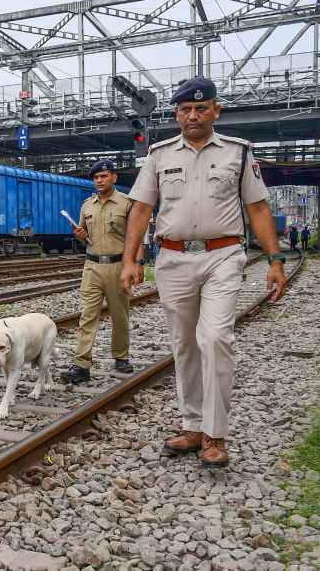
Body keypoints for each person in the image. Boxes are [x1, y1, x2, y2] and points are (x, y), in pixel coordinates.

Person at [120, 77, 286, 467]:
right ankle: (192, 426)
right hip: (173, 259)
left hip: (223, 256)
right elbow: (141, 209)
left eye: (201, 108)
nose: (193, 116)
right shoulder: (158, 156)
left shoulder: (239, 153)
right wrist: (131, 260)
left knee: (214, 338)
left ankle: (215, 433)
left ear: (216, 110)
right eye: (184, 110)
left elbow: (258, 208)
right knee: (184, 345)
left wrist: (275, 260)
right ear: (176, 114)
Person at [62, 160, 144, 385]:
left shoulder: (126, 204)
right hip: (92, 266)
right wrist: (79, 235)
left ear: (114, 178)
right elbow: (84, 234)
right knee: (87, 315)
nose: (99, 180)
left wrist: (138, 263)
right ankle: (81, 364)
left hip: (119, 266)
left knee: (120, 315)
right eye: (96, 177)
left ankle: (121, 357)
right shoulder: (87, 205)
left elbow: (136, 237)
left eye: (104, 176)